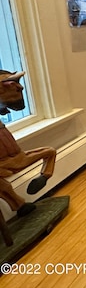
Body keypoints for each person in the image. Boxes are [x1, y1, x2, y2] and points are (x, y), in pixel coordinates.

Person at [0, 70, 57, 217]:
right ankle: (19, 204)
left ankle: (44, 176)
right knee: (3, 185)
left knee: (50, 151)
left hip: (15, 156)